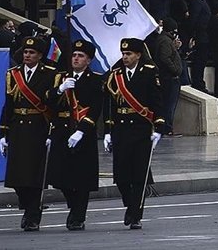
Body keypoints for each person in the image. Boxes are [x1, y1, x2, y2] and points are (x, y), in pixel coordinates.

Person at [103, 38, 166, 229]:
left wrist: (159, 127)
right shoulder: (116, 75)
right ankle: (130, 204)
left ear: (138, 55)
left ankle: (135, 214)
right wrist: (108, 130)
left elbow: (157, 101)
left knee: (139, 175)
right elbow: (110, 104)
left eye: (129, 54)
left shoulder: (148, 72)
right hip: (121, 128)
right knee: (121, 176)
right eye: (123, 54)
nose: (125, 57)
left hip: (140, 128)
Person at [0, 37, 58, 231]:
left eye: (32, 53)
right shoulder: (13, 74)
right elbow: (8, 105)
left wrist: (52, 132)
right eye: (25, 52)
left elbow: (53, 106)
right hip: (18, 128)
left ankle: (33, 215)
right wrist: (2, 133)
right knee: (17, 176)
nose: (27, 56)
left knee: (34, 175)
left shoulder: (49, 74)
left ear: (40, 55)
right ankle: (27, 205)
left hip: (38, 127)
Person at [47, 40, 104, 230]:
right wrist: (59, 90)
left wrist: (81, 131)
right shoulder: (61, 78)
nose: (76, 59)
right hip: (62, 131)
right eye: (74, 55)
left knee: (82, 178)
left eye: (80, 56)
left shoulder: (95, 79)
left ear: (88, 60)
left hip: (82, 132)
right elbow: (49, 104)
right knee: (59, 176)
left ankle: (78, 215)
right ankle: (74, 206)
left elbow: (95, 108)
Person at [152, 19, 183, 137]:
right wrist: (175, 69)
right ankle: (167, 128)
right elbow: (165, 58)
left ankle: (167, 127)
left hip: (169, 77)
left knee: (169, 104)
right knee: (169, 105)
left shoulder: (166, 40)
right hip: (169, 78)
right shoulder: (165, 41)